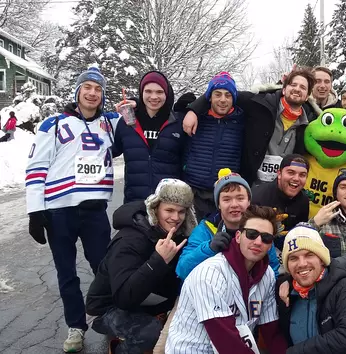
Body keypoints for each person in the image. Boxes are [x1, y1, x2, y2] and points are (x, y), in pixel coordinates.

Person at [25, 67, 121, 352]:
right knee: (67, 272)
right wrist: (34, 211)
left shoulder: (111, 124)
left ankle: (109, 316)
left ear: (103, 95)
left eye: (98, 89)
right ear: (78, 91)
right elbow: (36, 167)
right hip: (60, 211)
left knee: (104, 269)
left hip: (94, 211)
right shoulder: (53, 124)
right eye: (87, 87)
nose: (92, 93)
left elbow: (144, 111)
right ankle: (76, 327)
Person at [85, 178, 196, 353]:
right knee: (148, 332)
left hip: (147, 298)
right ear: (155, 208)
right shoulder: (129, 240)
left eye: (181, 212)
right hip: (108, 306)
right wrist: (158, 260)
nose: (176, 218)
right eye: (169, 210)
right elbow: (123, 297)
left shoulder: (178, 235)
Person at [166, 205, 288, 354]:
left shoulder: (267, 274)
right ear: (238, 236)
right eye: (251, 234)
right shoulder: (210, 274)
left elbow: (272, 330)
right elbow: (225, 340)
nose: (258, 241)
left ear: (270, 245)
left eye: (266, 238)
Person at [184, 68, 316, 186]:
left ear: (307, 97)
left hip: (280, 191)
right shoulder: (259, 103)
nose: (297, 89)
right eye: (293, 84)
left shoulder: (309, 124)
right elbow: (223, 94)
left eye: (303, 87)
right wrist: (193, 110)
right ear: (283, 88)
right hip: (250, 187)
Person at [276, 225, 346, 353]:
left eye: (309, 255)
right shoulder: (285, 293)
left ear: (322, 259)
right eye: (293, 258)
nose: (302, 263)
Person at [176, 168, 280, 280]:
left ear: (249, 201)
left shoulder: (261, 229)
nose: (234, 204)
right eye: (226, 199)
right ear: (218, 204)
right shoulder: (205, 230)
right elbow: (182, 270)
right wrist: (209, 248)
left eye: (240, 198)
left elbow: (273, 271)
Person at [113, 71, 187, 203]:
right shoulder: (127, 122)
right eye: (148, 91)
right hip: (135, 202)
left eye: (159, 92)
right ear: (141, 93)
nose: (154, 97)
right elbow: (109, 150)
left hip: (169, 204)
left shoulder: (178, 123)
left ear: (167, 93)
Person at [181, 72, 246, 220]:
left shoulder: (242, 120)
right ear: (209, 97)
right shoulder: (196, 118)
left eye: (228, 95)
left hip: (226, 193)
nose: (223, 100)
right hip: (194, 191)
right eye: (217, 94)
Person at [251, 154, 310, 251]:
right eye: (291, 172)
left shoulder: (304, 200)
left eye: (302, 175)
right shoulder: (259, 197)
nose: (296, 178)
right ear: (279, 174)